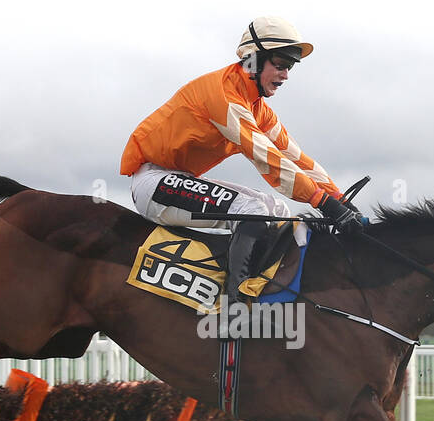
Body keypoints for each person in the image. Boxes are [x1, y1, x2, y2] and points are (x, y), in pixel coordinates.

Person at [120, 16, 364, 302]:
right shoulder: (223, 96)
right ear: (254, 60)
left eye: (290, 67)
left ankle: (269, 292)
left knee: (277, 210)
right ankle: (235, 305)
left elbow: (295, 158)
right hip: (153, 182)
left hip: (179, 180)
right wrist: (323, 203)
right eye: (281, 64)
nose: (286, 75)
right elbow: (268, 159)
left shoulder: (258, 108)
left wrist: (341, 200)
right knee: (254, 210)